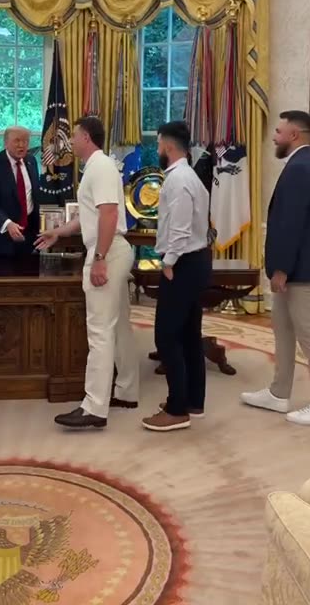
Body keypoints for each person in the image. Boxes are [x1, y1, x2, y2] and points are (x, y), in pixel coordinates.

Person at [35, 115, 139, 428]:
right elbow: (89, 215)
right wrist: (59, 233)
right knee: (118, 326)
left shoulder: (101, 166)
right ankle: (127, 390)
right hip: (111, 250)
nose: (70, 141)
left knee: (99, 330)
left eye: (75, 135)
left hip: (109, 251)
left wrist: (100, 258)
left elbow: (109, 214)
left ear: (87, 137)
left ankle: (94, 407)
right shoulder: (95, 166)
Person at [241, 110, 310, 425]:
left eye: (279, 131)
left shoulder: (300, 167)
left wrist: (280, 268)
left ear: (294, 135)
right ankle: (279, 393)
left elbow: (290, 224)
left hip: (300, 271)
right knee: (282, 329)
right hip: (295, 268)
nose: (274, 136)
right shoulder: (299, 164)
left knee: (307, 335)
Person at [142, 121, 211, 433]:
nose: (157, 151)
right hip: (195, 261)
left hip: (183, 263)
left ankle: (176, 408)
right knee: (188, 335)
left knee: (166, 336)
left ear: (168, 147)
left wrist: (168, 262)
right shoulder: (190, 176)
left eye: (158, 146)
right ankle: (194, 402)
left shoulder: (178, 180)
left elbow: (180, 229)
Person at [0, 126, 40, 256]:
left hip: (27, 237)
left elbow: (33, 198)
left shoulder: (31, 162)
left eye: (25, 141)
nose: (21, 145)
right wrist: (8, 223)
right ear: (5, 143)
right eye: (17, 141)